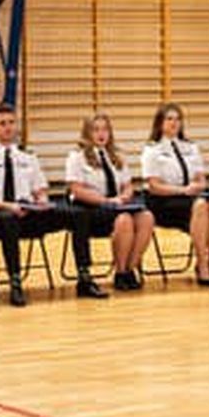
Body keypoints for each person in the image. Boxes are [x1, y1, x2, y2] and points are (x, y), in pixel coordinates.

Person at [0, 103, 108, 304]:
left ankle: (84, 276)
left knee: (78, 213)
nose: (8, 127)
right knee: (8, 219)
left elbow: (40, 190)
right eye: (2, 123)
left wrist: (42, 201)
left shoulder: (28, 156)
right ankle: (15, 282)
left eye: (11, 122)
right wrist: (10, 206)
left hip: (29, 211)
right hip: (0, 212)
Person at [64, 113, 154, 291]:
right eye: (96, 130)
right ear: (87, 133)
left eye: (105, 129)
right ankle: (120, 272)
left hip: (117, 206)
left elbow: (128, 186)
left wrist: (124, 197)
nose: (101, 134)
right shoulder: (77, 157)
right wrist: (106, 201)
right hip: (91, 209)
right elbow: (76, 189)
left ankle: (129, 269)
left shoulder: (116, 155)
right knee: (124, 220)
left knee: (146, 217)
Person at [141, 103, 209, 285]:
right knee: (200, 205)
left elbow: (202, 179)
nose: (174, 123)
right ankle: (202, 264)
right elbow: (154, 186)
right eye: (169, 119)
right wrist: (184, 190)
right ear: (160, 123)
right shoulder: (152, 149)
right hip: (163, 201)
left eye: (178, 119)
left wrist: (197, 186)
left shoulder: (190, 147)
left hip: (190, 198)